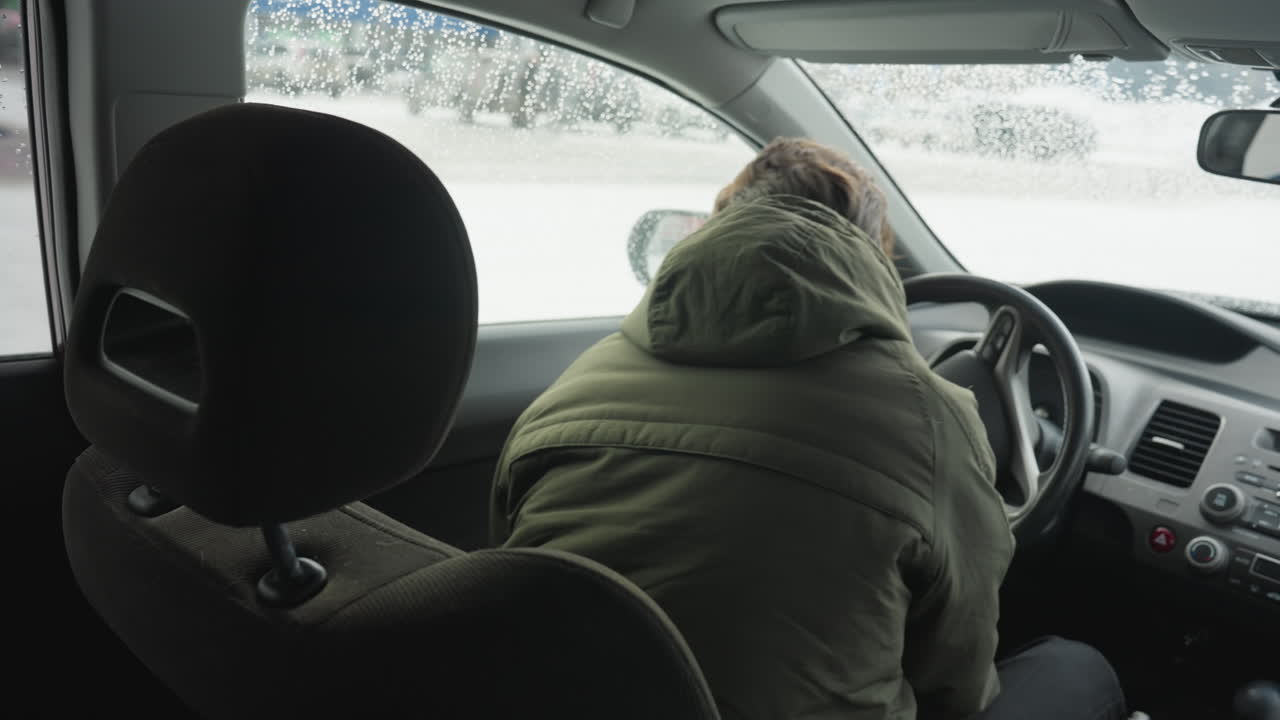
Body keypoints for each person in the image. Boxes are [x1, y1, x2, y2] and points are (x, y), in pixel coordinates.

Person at [490, 138, 1126, 720]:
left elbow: (510, 562)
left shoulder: (580, 379)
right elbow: (954, 682)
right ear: (870, 257)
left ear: (719, 229)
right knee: (1077, 667)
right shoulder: (932, 416)